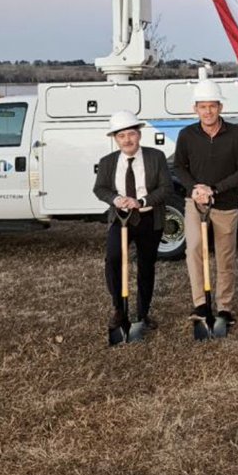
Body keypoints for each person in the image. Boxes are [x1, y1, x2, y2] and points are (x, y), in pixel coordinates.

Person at [172, 79, 238, 328]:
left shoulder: (236, 134)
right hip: (195, 203)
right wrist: (195, 188)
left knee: (225, 255)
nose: (208, 111)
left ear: (220, 107)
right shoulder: (187, 135)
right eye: (202, 106)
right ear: (195, 109)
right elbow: (179, 167)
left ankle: (224, 307)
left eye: (212, 106)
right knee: (194, 249)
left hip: (225, 203)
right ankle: (200, 303)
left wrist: (215, 189)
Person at [93, 111, 174, 332]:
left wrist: (141, 201)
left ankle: (143, 312)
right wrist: (116, 199)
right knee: (113, 259)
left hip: (149, 218)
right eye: (121, 136)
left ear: (139, 134)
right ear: (115, 138)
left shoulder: (155, 157)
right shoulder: (108, 162)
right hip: (121, 219)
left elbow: (167, 188)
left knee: (146, 266)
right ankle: (119, 310)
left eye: (131, 134)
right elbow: (99, 188)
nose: (127, 140)